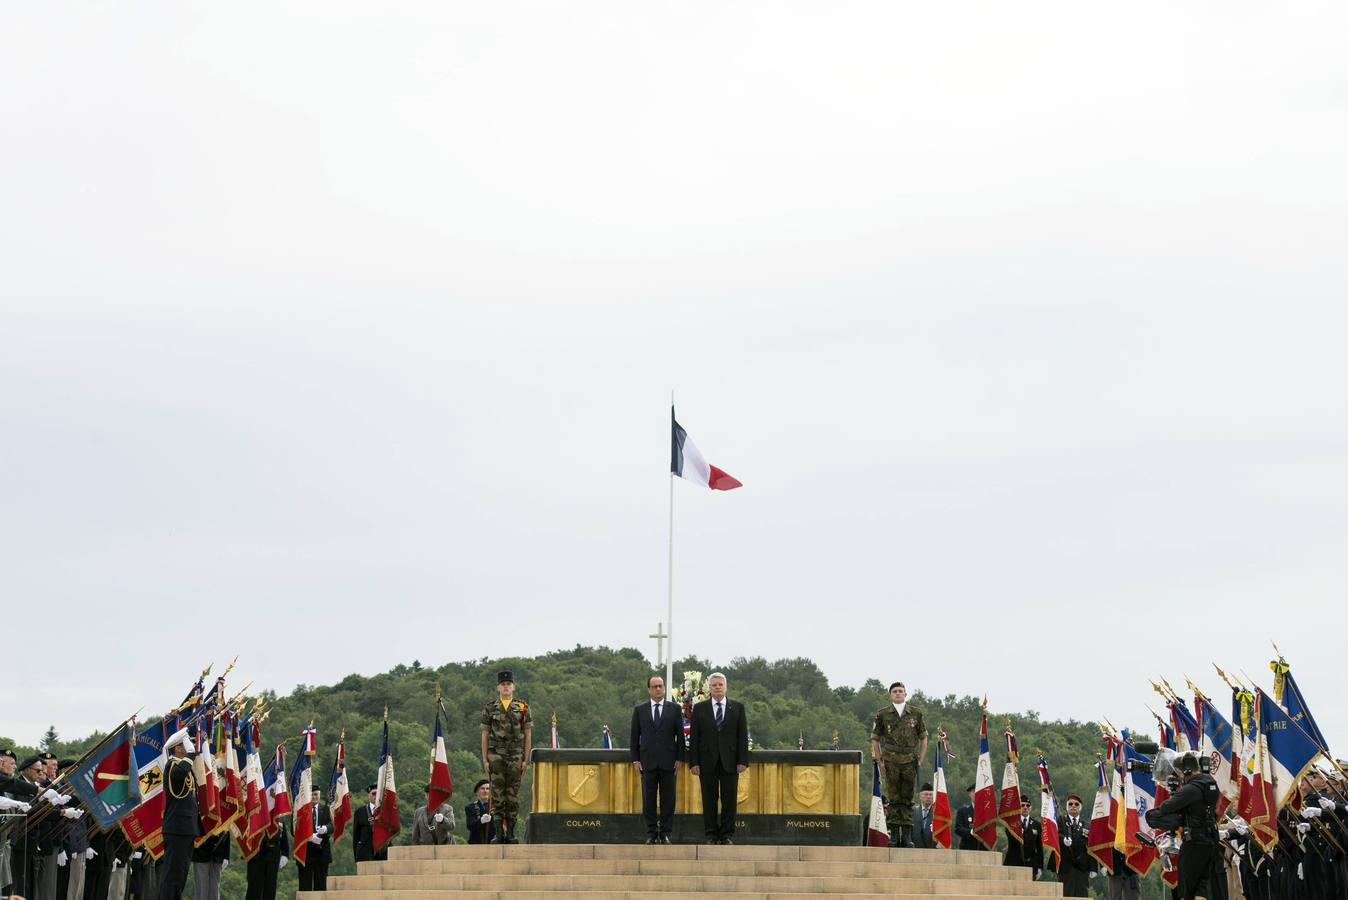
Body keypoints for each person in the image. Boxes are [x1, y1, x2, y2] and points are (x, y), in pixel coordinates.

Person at [1145, 752, 1221, 900]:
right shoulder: (1211, 784)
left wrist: (1153, 815)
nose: (1179, 777)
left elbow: (1167, 806)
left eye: (1180, 773)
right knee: (1201, 886)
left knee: (1186, 888)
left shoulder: (1192, 788)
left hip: (1194, 843)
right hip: (1210, 840)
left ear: (1186, 770)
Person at [687, 672, 749, 845]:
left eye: (720, 685)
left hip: (730, 762)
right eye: (714, 685)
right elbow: (694, 738)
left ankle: (727, 834)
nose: (717, 687)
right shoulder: (699, 709)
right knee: (709, 799)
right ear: (709, 688)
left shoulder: (737, 707)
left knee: (729, 799)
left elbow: (742, 735)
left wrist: (742, 761)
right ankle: (711, 834)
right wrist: (694, 762)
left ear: (726, 687)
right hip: (707, 762)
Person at [629, 674, 685, 845]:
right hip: (647, 762)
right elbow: (634, 737)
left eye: (661, 686)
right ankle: (652, 833)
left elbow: (680, 737)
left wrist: (680, 758)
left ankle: (666, 833)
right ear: (649, 690)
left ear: (665, 688)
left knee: (669, 799)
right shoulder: (640, 710)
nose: (658, 689)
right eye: (654, 686)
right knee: (649, 799)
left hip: (669, 762)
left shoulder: (674, 709)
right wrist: (635, 760)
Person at [870, 682, 927, 848]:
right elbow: (875, 738)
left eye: (900, 691)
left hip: (910, 759)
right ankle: (894, 836)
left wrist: (920, 759)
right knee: (894, 798)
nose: (897, 694)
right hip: (891, 760)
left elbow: (923, 737)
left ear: (905, 694)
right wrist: (880, 759)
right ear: (890, 695)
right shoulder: (883, 714)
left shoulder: (916, 713)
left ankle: (907, 836)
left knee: (907, 798)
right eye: (894, 691)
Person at [480, 670, 531, 844]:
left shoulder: (522, 707)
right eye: (503, 685)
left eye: (508, 684)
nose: (506, 687)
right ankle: (498, 833)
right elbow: (485, 734)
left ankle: (510, 832)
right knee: (497, 794)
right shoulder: (490, 708)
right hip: (496, 755)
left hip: (516, 755)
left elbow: (528, 734)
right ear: (498, 687)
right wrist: (485, 759)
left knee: (512, 795)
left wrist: (526, 759)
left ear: (513, 687)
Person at [158, 729, 199, 900]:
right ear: (178, 749)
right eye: (185, 745)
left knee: (180, 875)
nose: (189, 747)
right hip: (177, 828)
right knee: (173, 875)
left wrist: (189, 755)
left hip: (185, 828)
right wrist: (191, 754)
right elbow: (181, 773)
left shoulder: (182, 767)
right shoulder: (173, 766)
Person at [1055, 793, 1095, 897]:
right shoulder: (1060, 821)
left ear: (1080, 808)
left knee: (1082, 894)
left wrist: (1094, 867)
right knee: (1066, 894)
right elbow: (1053, 835)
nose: (1073, 806)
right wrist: (1063, 839)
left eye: (1076, 804)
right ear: (1067, 806)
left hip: (1082, 866)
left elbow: (1091, 847)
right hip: (1065, 865)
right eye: (1070, 804)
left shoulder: (1087, 826)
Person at [296, 788, 331, 892]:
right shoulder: (300, 810)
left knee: (321, 885)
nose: (314, 797)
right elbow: (295, 830)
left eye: (316, 794)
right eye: (311, 795)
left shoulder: (326, 809)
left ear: (319, 795)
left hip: (322, 851)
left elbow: (332, 825)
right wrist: (310, 837)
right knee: (305, 885)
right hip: (306, 852)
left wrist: (326, 828)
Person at [244, 818, 288, 900]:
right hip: (256, 855)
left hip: (273, 855)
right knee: (254, 889)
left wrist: (285, 854)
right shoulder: (256, 810)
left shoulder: (279, 816)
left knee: (270, 889)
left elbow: (283, 837)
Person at [1003, 795, 1043, 879]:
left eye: (1027, 805)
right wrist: (1017, 832)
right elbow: (1011, 841)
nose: (1025, 807)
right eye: (1022, 805)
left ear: (1030, 808)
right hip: (1014, 863)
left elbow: (1039, 847)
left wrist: (1040, 867)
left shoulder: (1037, 825)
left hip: (1031, 864)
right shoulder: (1011, 824)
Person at [189, 832, 228, 900]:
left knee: (214, 887)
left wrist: (227, 855)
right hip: (200, 850)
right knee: (201, 886)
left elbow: (227, 825)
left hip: (218, 851)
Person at [352, 786, 385, 863]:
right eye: (373, 793)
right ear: (369, 796)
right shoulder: (360, 812)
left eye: (378, 794)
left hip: (382, 852)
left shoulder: (385, 811)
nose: (376, 796)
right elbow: (356, 836)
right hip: (365, 853)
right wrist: (356, 856)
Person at [464, 780, 495, 845]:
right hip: (476, 844)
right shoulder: (470, 808)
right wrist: (481, 821)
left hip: (494, 844)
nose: (485, 791)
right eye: (482, 788)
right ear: (477, 792)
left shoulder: (497, 807)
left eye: (488, 789)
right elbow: (470, 825)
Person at [953, 785, 981, 850]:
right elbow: (958, 828)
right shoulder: (963, 811)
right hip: (967, 848)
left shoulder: (987, 812)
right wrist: (971, 832)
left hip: (983, 848)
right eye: (974, 791)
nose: (976, 793)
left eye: (978, 791)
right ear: (970, 794)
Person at [910, 784, 935, 849]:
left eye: (930, 794)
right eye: (926, 794)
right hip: (915, 849)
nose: (928, 797)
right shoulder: (913, 811)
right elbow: (909, 831)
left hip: (933, 850)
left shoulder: (937, 814)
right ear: (920, 796)